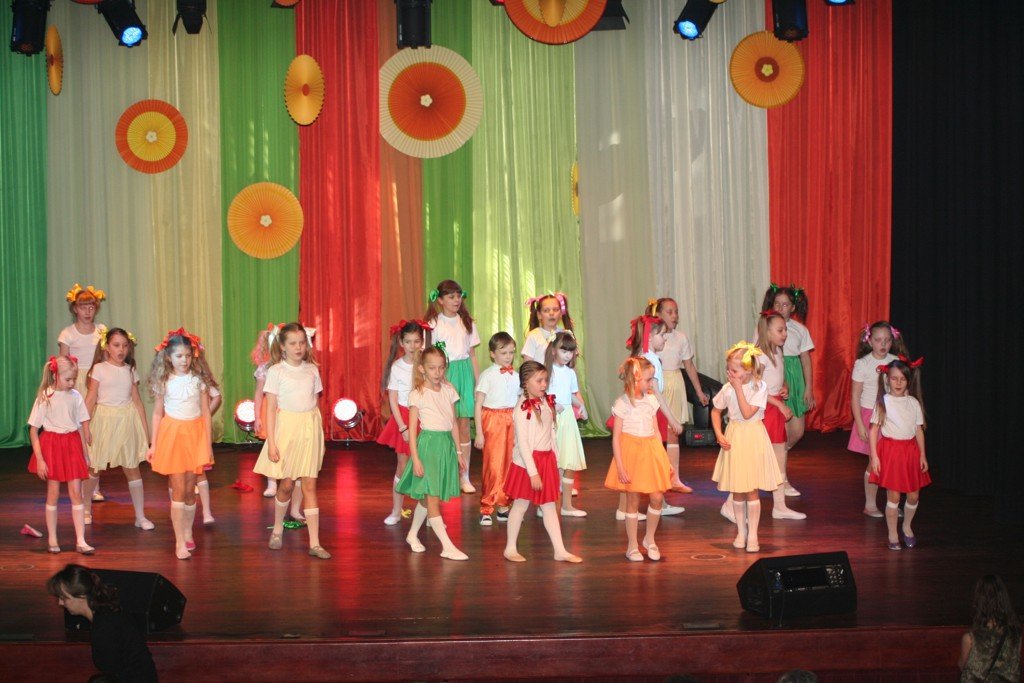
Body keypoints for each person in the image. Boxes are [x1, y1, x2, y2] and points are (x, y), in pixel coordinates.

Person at [253, 323, 330, 559]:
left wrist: (319, 436)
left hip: (309, 430)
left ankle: (315, 543)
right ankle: (277, 529)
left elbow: (315, 403)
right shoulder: (276, 371)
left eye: (302, 343)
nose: (299, 347)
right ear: (283, 347)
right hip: (287, 430)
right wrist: (272, 442)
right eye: (293, 343)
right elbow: (271, 408)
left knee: (309, 486)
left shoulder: (312, 370)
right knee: (286, 484)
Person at [503, 360, 582, 563]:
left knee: (549, 506)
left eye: (545, 380)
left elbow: (550, 432)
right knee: (520, 505)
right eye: (539, 381)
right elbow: (523, 444)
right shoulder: (522, 409)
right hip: (528, 464)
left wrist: (554, 458)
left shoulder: (545, 401)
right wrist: (533, 473)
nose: (544, 384)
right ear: (525, 382)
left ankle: (560, 550)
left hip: (546, 461)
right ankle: (510, 548)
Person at [395, 346, 468, 560]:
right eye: (432, 368)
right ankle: (447, 546)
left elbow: (453, 423)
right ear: (422, 369)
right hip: (428, 448)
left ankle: (412, 535)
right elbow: (412, 430)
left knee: (428, 498)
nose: (437, 372)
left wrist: (458, 452)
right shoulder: (418, 394)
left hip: (445, 447)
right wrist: (416, 459)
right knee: (432, 497)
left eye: (441, 368)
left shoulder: (448, 390)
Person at [147, 328, 214, 560]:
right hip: (173, 435)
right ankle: (179, 542)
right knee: (178, 489)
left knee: (190, 490)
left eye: (187, 355)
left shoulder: (198, 381)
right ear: (168, 357)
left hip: (194, 435)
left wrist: (208, 444)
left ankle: (188, 531)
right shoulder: (164, 381)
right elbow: (157, 413)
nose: (183, 360)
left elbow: (205, 413)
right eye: (178, 356)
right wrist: (153, 444)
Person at [711, 342, 784, 553]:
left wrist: (737, 389)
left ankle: (752, 534)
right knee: (737, 489)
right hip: (735, 437)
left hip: (753, 437)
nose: (730, 374)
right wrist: (719, 434)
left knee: (751, 489)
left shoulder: (759, 387)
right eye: (728, 370)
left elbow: (746, 413)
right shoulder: (728, 388)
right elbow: (716, 411)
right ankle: (741, 533)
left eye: (734, 371)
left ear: (749, 370)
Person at [613, 315, 684, 520]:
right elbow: (656, 393)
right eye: (661, 334)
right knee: (646, 461)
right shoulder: (648, 360)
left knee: (643, 460)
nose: (665, 338)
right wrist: (672, 419)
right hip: (648, 410)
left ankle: (630, 507)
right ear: (650, 337)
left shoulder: (649, 357)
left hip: (648, 409)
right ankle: (654, 503)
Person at [82, 328, 153, 530]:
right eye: (116, 345)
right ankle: (85, 509)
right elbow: (90, 399)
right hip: (104, 422)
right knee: (94, 467)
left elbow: (137, 402)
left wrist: (145, 432)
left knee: (132, 468)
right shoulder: (99, 369)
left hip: (126, 421)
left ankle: (140, 516)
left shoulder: (130, 370)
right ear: (107, 347)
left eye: (124, 345)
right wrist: (85, 427)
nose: (121, 350)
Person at [604, 357, 674, 561]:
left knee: (657, 497)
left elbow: (656, 431)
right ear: (635, 380)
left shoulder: (651, 400)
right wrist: (620, 466)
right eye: (648, 379)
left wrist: (664, 459)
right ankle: (632, 545)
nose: (652, 383)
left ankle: (649, 539)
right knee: (633, 499)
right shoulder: (622, 403)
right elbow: (616, 438)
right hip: (631, 454)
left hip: (651, 451)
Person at [47, 564, 158, 682]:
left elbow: (115, 669)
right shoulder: (106, 615)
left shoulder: (104, 626)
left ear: (81, 596)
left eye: (64, 598)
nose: (60, 603)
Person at [28, 356, 93, 554]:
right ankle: (53, 539)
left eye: (74, 379)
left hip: (72, 444)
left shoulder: (76, 396)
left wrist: (85, 454)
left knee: (76, 493)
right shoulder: (45, 397)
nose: (72, 383)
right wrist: (40, 459)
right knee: (53, 493)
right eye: (68, 379)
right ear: (55, 375)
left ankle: (81, 540)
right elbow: (33, 430)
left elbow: (80, 426)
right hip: (52, 446)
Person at [424, 280, 480, 494]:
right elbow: (429, 355)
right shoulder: (433, 323)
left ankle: (464, 475)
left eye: (458, 296)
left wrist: (477, 382)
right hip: (444, 373)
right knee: (445, 424)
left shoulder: (467, 322)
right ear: (440, 300)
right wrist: (436, 379)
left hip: (464, 373)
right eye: (451, 297)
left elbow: (472, 355)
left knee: (463, 425)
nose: (456, 300)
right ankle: (444, 472)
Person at [868, 356, 929, 550]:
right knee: (893, 496)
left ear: (908, 381)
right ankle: (892, 533)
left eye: (902, 379)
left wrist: (922, 454)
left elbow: (918, 430)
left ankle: (907, 526)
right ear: (887, 379)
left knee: (913, 496)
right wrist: (874, 456)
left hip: (910, 452)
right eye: (894, 378)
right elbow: (873, 430)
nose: (898, 383)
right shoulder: (883, 402)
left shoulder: (913, 403)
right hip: (891, 453)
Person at [649, 297, 708, 494]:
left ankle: (674, 478)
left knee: (673, 433)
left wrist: (699, 391)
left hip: (674, 384)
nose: (674, 316)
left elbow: (689, 366)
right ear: (658, 314)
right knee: (655, 432)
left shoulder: (681, 337)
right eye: (669, 312)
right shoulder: (651, 337)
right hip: (656, 385)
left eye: (676, 312)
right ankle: (655, 477)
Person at [760, 283, 814, 492]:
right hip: (774, 377)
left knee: (797, 431)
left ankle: (774, 459)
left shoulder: (800, 329)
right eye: (777, 304)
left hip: (794, 379)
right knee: (778, 432)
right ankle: (782, 479)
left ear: (793, 307)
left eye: (785, 305)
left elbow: (806, 359)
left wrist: (808, 387)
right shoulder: (765, 327)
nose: (781, 308)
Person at [848, 321, 904, 517]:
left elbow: (902, 389)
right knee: (875, 461)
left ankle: (892, 504)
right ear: (869, 341)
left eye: (887, 340)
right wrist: (860, 424)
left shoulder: (895, 361)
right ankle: (870, 504)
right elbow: (855, 396)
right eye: (879, 340)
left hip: (891, 416)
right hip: (869, 417)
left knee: (891, 462)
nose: (883, 344)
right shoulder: (862, 364)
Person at [59, 283, 108, 502]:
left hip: (96, 382)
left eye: (91, 307)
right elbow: (63, 363)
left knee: (95, 433)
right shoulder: (68, 334)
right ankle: (77, 484)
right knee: (78, 434)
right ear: (75, 309)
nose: (87, 311)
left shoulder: (101, 330)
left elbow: (106, 358)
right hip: (77, 383)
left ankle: (93, 486)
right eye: (82, 307)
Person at [755, 311, 806, 520]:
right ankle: (732, 502)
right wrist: (779, 404)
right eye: (780, 330)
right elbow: (756, 388)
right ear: (767, 332)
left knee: (779, 455)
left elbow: (776, 379)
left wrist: (783, 387)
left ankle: (779, 506)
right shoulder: (760, 356)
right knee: (757, 457)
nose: (785, 333)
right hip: (766, 409)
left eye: (785, 329)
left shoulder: (777, 351)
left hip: (775, 405)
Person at [378, 320, 427, 525]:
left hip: (425, 417)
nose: (412, 346)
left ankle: (429, 513)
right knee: (403, 465)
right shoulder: (397, 367)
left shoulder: (425, 363)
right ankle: (396, 511)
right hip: (405, 418)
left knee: (426, 465)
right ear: (401, 342)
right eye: (408, 342)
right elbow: (393, 399)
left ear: (422, 342)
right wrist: (403, 427)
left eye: (416, 341)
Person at [473, 332, 520, 526]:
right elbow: (478, 404)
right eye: (503, 353)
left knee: (510, 464)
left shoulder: (516, 376)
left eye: (511, 352)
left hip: (511, 419)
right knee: (493, 465)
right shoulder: (488, 375)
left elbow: (519, 402)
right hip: (492, 420)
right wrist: (479, 432)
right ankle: (487, 506)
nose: (508, 357)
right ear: (493, 354)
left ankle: (503, 505)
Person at [544, 331, 589, 517]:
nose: (568, 355)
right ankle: (546, 506)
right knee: (553, 463)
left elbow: (570, 394)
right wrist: (553, 404)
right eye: (564, 351)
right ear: (553, 350)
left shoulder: (570, 373)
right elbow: (541, 394)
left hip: (568, 418)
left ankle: (567, 506)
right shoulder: (547, 372)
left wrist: (581, 405)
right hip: (552, 419)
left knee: (568, 461)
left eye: (570, 351)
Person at [959, 575, 1021, 682]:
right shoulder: (1016, 635)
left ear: (978, 602)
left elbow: (963, 666)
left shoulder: (970, 638)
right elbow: (1015, 666)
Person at [521, 292, 575, 362]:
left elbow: (571, 363)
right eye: (546, 310)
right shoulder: (533, 335)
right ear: (539, 315)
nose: (551, 313)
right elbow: (527, 365)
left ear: (561, 313)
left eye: (555, 310)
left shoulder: (566, 334)